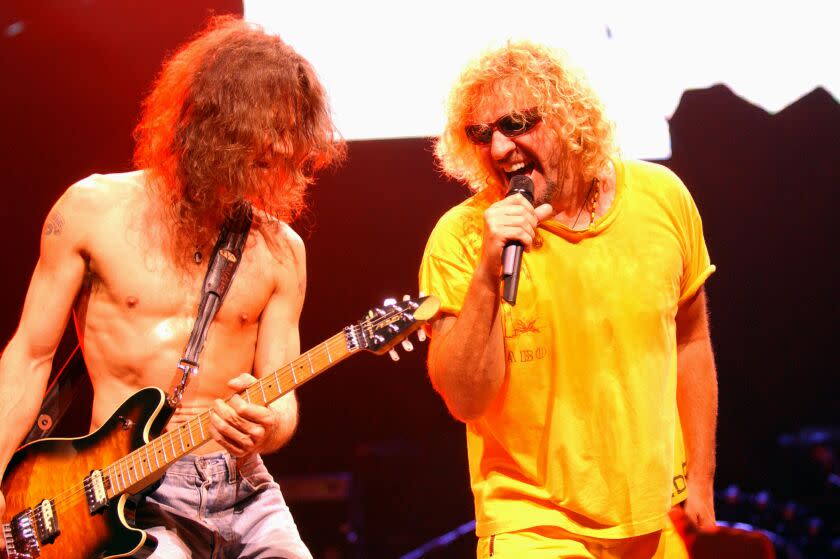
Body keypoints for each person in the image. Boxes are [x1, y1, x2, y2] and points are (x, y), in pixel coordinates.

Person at [0, 16, 344, 558]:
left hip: (244, 489)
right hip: (127, 492)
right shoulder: (90, 211)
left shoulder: (282, 251)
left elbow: (282, 406)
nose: (283, 148)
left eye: (293, 132)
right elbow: (30, 355)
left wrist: (264, 428)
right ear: (213, 120)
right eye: (270, 128)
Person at [419, 41, 718, 558]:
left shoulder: (662, 198)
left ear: (568, 115)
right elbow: (465, 399)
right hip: (531, 524)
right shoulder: (463, 237)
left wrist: (702, 482)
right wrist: (488, 276)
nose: (498, 149)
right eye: (482, 134)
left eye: (516, 123)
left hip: (653, 518)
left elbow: (692, 341)